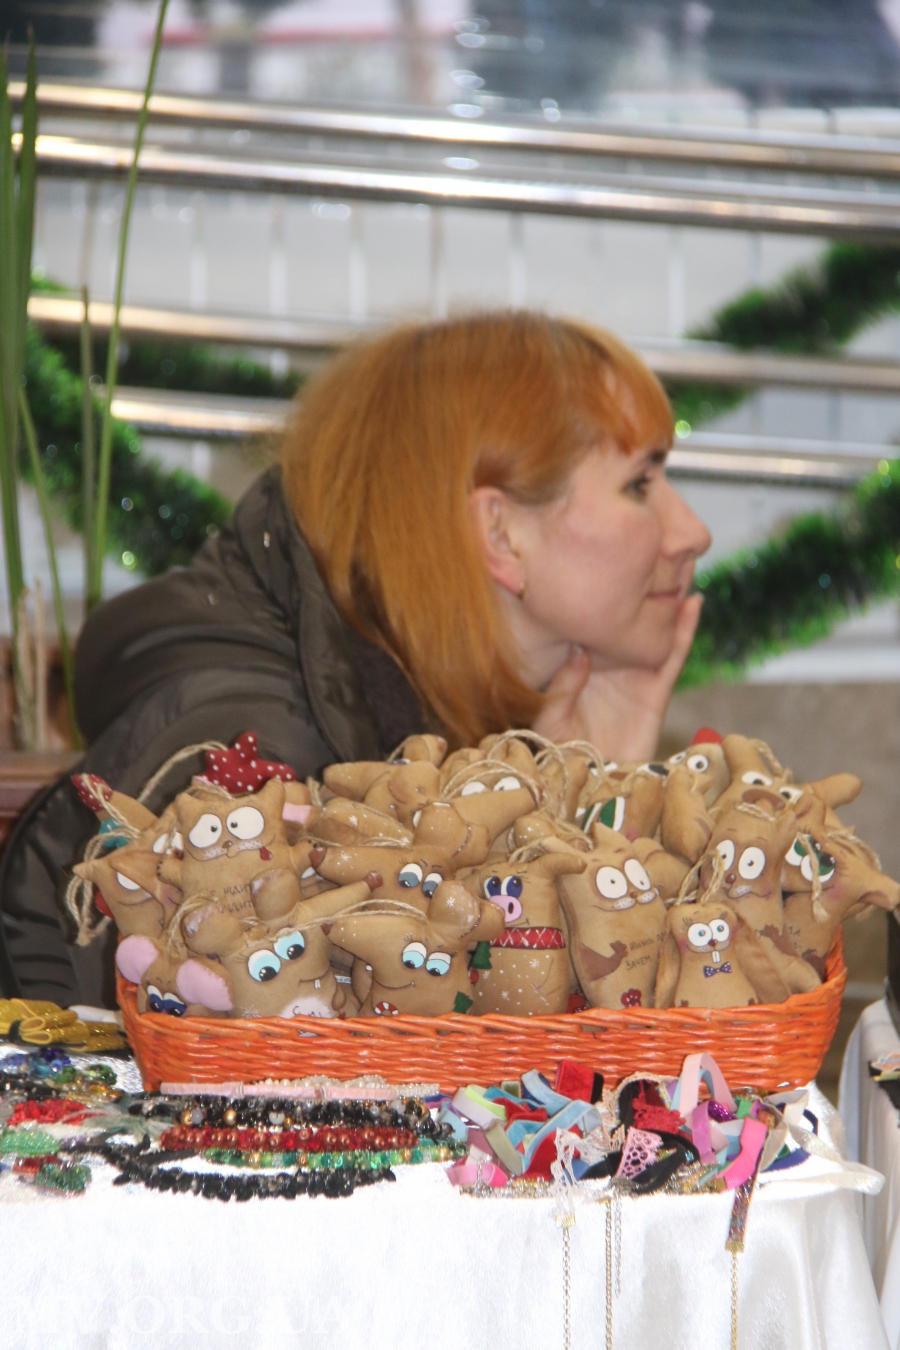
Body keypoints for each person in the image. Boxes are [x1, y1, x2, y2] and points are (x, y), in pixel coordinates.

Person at [0, 311, 710, 1008]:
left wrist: (593, 791)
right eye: (640, 484)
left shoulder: (393, 715)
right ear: (500, 533)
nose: (693, 532)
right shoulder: (259, 759)